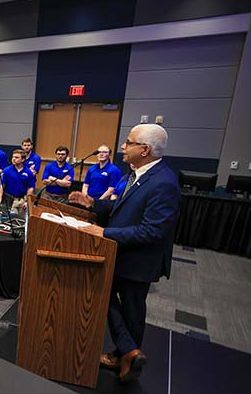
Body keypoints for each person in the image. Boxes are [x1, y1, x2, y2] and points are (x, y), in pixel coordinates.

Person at [69, 124, 180, 382]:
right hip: (122, 252)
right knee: (107, 296)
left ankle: (126, 355)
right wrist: (94, 204)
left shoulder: (164, 183)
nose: (122, 147)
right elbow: (124, 208)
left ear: (145, 149)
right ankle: (128, 352)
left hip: (140, 260)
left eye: (128, 142)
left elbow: (152, 231)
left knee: (131, 309)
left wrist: (104, 233)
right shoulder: (138, 173)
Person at [0, 149, 35, 216]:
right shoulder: (6, 170)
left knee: (19, 222)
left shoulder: (28, 172)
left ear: (23, 160)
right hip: (8, 199)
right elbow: (2, 185)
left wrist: (27, 201)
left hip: (21, 201)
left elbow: (30, 188)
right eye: (13, 157)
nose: (13, 159)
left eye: (16, 157)